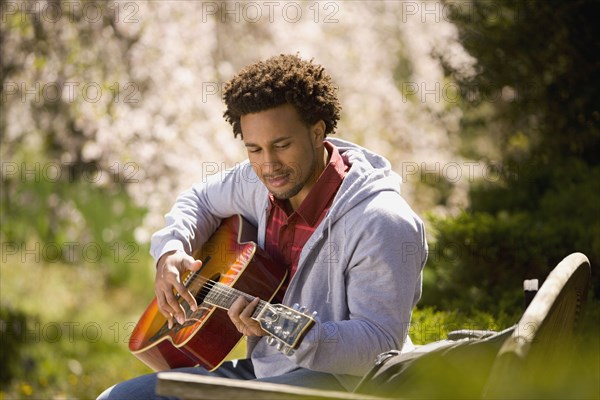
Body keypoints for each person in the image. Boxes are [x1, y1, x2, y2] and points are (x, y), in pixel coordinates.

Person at [98, 54, 428, 400]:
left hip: (346, 383)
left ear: (318, 132)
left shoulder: (381, 221)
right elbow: (199, 200)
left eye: (282, 145)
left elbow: (378, 345)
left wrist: (287, 332)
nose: (268, 164)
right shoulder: (258, 182)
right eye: (254, 149)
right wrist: (171, 249)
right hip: (266, 370)